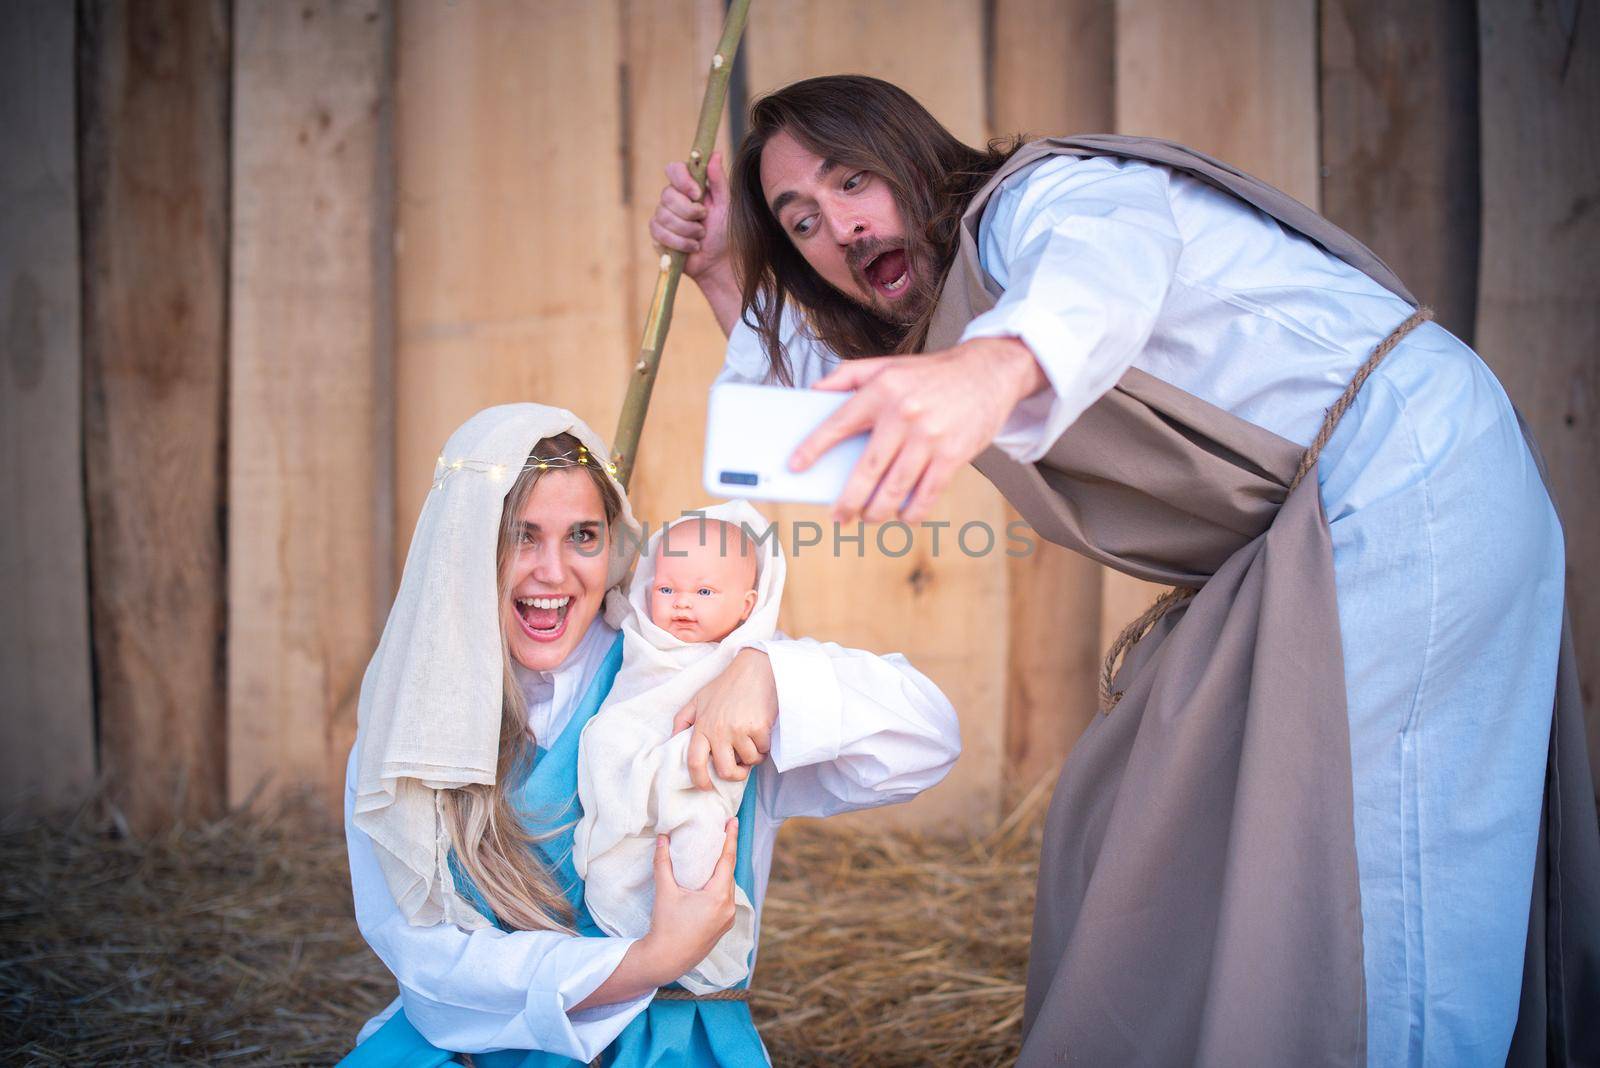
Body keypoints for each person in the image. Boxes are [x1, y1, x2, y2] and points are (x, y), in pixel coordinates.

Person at [651, 74, 1598, 1067]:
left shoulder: (1049, 199)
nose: (837, 228)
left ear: (913, 156)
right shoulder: (945, 316)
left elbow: (1103, 266)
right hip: (1309, 532)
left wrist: (995, 368)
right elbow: (811, 424)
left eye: (852, 183)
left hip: (1407, 474)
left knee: (1387, 877)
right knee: (1142, 812)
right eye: (799, 221)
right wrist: (723, 268)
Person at [341, 403, 961, 1066]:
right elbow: (430, 965)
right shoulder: (411, 729)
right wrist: (649, 959)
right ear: (466, 549)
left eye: (583, 535)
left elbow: (927, 742)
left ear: (614, 543)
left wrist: (771, 673)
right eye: (521, 537)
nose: (554, 572)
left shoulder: (688, 669)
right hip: (471, 1051)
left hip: (668, 1047)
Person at [574, 503, 784, 995]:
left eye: (705, 591)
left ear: (747, 606)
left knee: (700, 823)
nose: (682, 603)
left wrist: (761, 670)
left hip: (694, 779)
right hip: (627, 758)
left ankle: (689, 913)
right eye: (668, 589)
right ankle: (633, 916)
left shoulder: (742, 660)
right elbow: (619, 611)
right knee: (606, 740)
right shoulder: (642, 635)